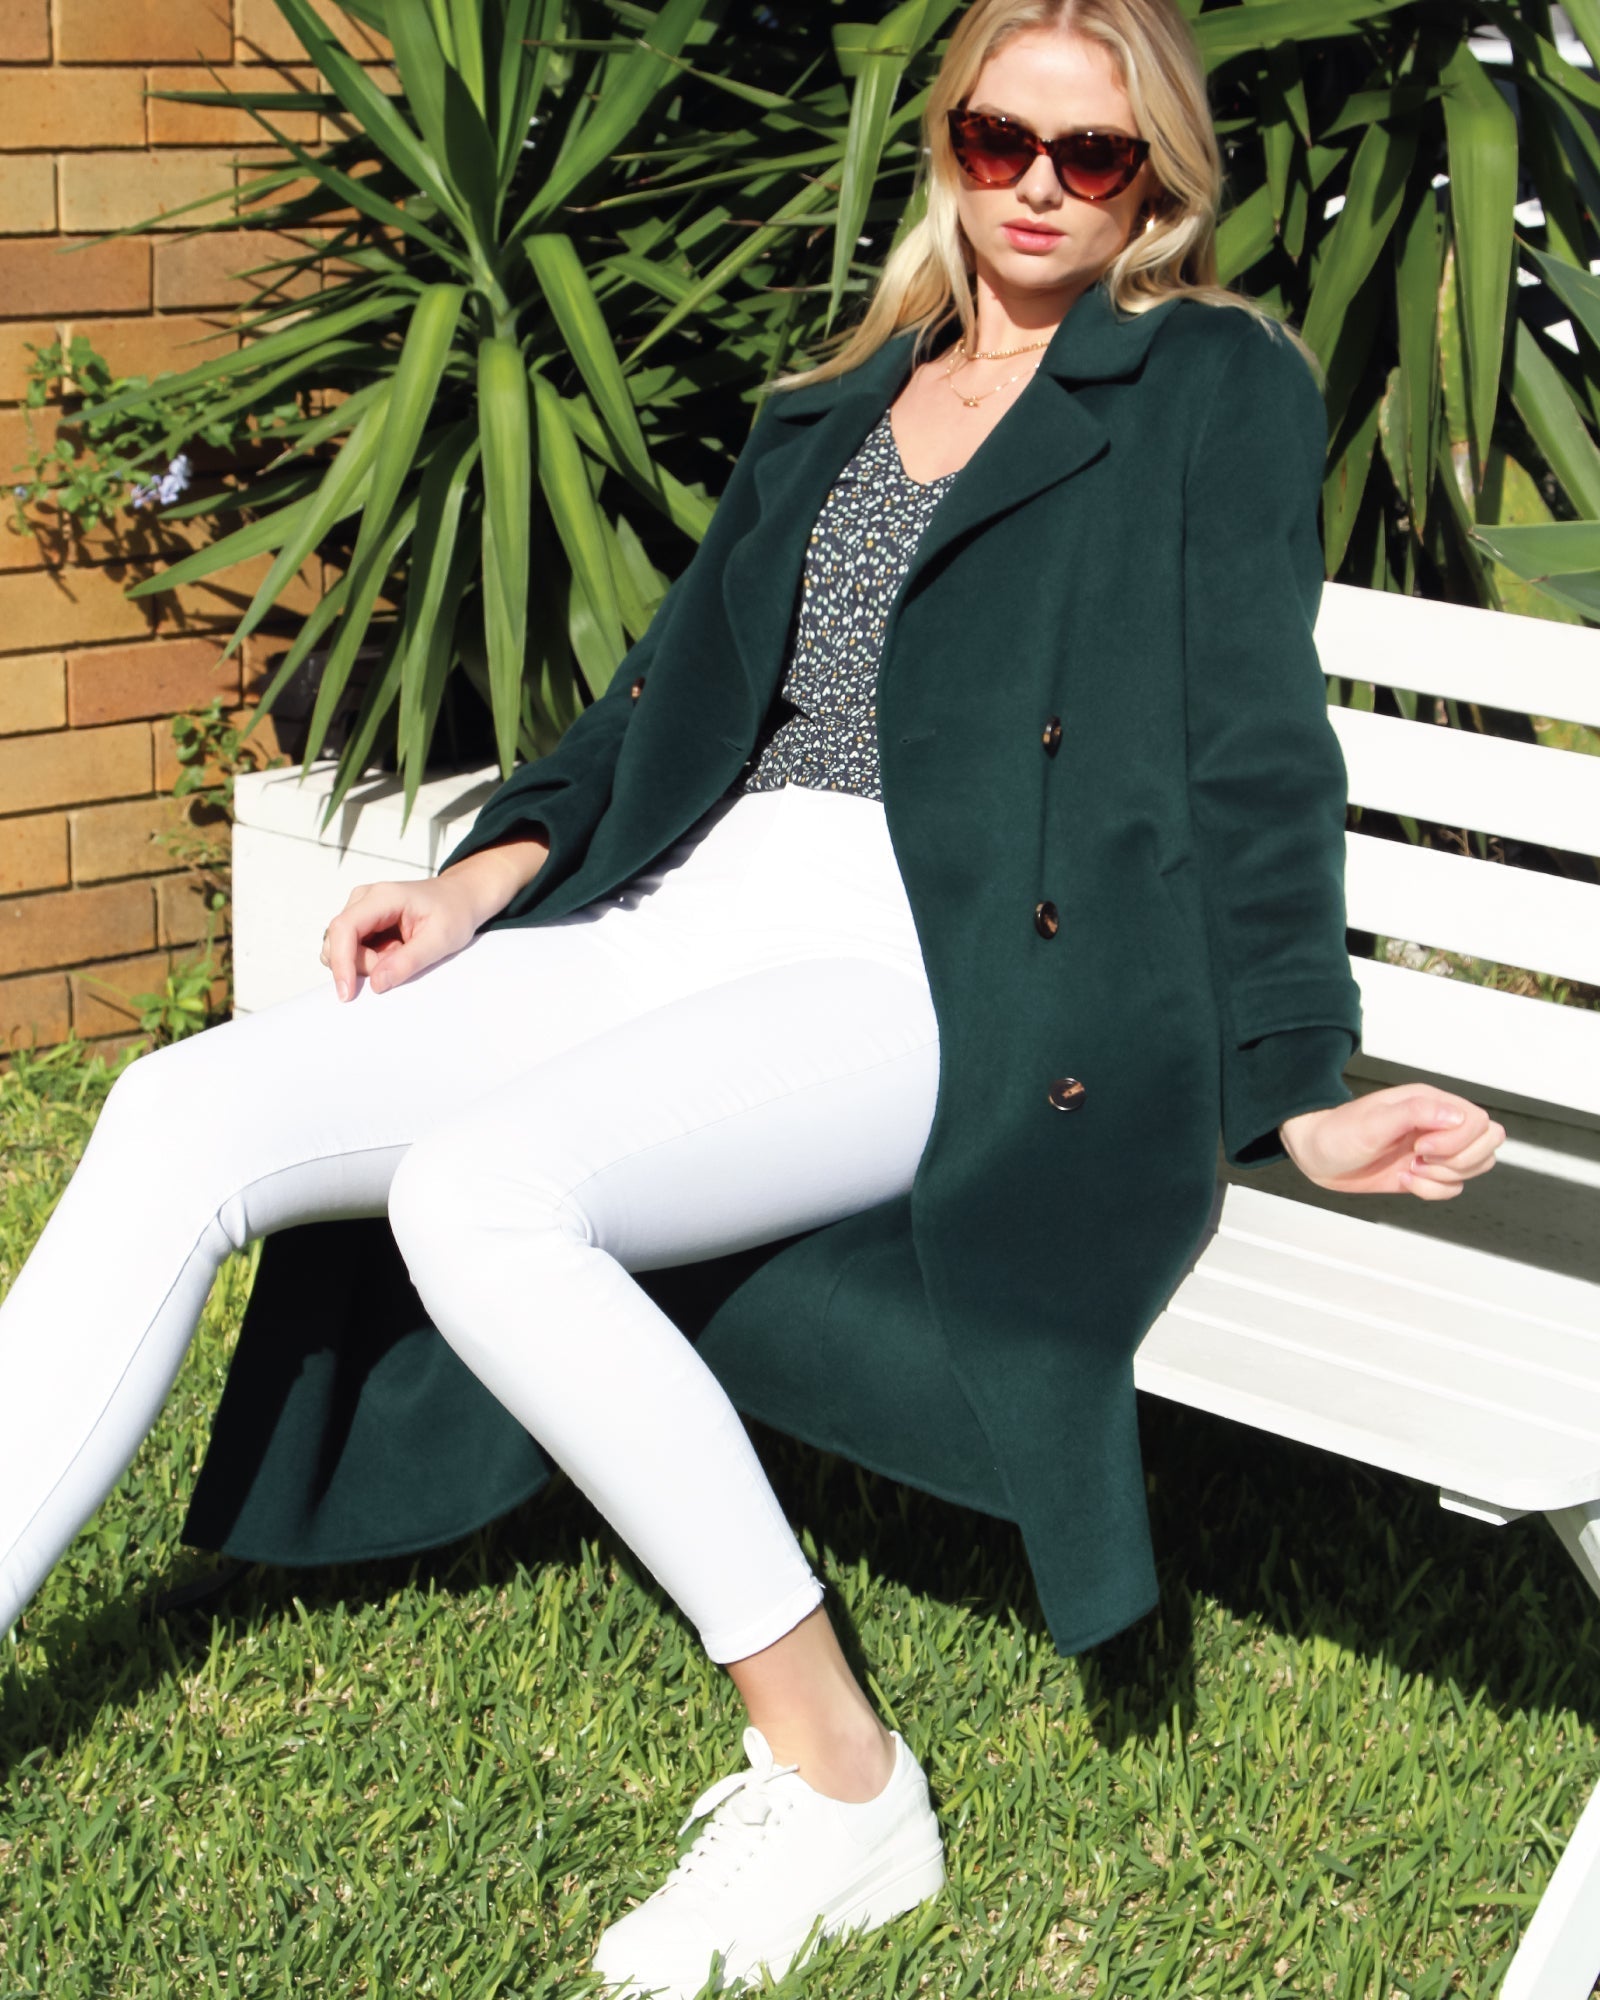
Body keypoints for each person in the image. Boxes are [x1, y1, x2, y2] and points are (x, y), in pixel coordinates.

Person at [0, 0, 1505, 1993]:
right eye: (997, 141)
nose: (1038, 189)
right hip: (688, 903)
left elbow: (1251, 743)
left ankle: (840, 1779)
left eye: (1092, 154)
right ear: (947, 146)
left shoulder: (1199, 382)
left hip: (942, 958)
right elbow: (665, 696)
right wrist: (486, 874)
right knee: (180, 1107)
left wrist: (1295, 1077)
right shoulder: (850, 391)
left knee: (481, 1194)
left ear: (1157, 178)